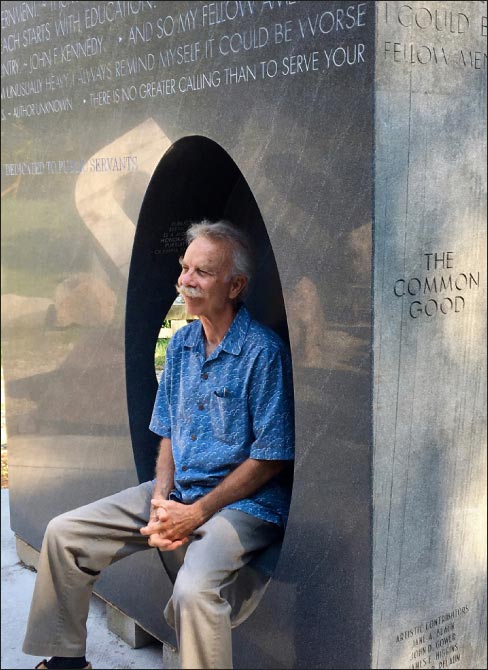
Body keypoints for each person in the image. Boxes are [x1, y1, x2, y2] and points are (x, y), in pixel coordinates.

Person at [23, 220, 295, 670]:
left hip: (245, 506)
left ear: (236, 285)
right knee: (64, 534)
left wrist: (195, 513)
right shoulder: (184, 343)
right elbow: (168, 430)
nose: (185, 281)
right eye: (183, 268)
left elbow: (269, 458)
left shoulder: (263, 353)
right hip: (178, 492)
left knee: (195, 591)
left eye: (202, 272)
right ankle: (67, 663)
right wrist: (159, 499)